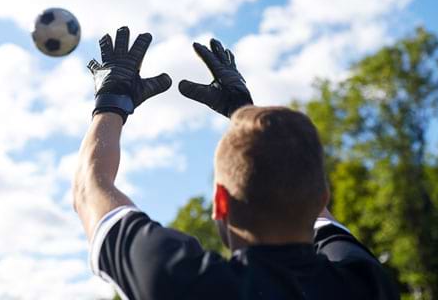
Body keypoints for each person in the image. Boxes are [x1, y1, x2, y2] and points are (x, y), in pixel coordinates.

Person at [73, 26, 400, 300]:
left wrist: (111, 99)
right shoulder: (366, 283)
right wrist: (245, 113)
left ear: (220, 204)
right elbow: (309, 200)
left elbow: (90, 188)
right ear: (322, 197)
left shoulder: (180, 281)